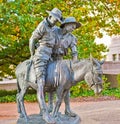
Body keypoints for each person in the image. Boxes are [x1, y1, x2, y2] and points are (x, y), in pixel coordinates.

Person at [29, 8, 63, 123]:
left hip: (51, 57)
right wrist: (32, 55)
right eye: (55, 19)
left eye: (58, 20)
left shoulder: (54, 28)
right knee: (41, 84)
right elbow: (32, 39)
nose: (56, 21)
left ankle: (51, 108)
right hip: (41, 57)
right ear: (50, 16)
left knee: (55, 82)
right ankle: (44, 113)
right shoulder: (42, 25)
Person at [48, 17, 81, 114]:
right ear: (66, 25)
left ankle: (67, 109)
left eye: (74, 27)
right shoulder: (54, 31)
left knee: (67, 84)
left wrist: (75, 63)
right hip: (49, 59)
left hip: (61, 60)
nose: (73, 28)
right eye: (72, 26)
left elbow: (74, 52)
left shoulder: (72, 38)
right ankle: (50, 106)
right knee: (49, 82)